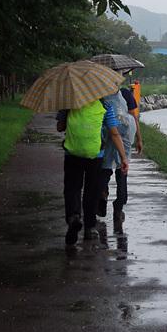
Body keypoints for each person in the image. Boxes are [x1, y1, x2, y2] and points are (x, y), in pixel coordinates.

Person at [56, 96, 127, 245]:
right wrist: (123, 157)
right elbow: (114, 133)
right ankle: (90, 228)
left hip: (72, 153)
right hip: (96, 154)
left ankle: (73, 216)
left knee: (72, 188)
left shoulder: (68, 104)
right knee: (92, 190)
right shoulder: (105, 106)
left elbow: (59, 127)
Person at [98, 86, 141, 235]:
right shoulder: (126, 93)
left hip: (107, 131)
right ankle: (118, 208)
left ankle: (103, 193)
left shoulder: (100, 93)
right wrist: (139, 139)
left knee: (105, 168)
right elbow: (133, 118)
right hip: (125, 134)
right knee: (122, 170)